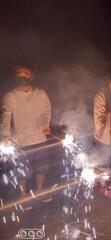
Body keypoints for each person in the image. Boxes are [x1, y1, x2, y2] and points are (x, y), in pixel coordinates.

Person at [1, 66, 52, 205]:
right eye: (20, 75)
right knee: (23, 172)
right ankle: (23, 195)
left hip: (40, 139)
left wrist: (45, 124)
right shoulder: (10, 96)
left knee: (42, 168)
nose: (23, 77)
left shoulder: (41, 94)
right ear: (16, 77)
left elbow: (46, 110)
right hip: (21, 142)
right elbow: (5, 117)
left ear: (31, 77)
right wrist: (5, 137)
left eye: (26, 74)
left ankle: (40, 190)